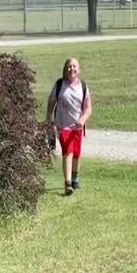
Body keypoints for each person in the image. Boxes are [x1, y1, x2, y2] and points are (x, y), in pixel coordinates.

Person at [45, 58, 92, 195]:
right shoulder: (60, 85)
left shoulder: (83, 86)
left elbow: (88, 108)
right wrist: (49, 119)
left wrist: (82, 120)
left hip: (77, 127)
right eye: (69, 66)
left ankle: (75, 178)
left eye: (74, 66)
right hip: (63, 126)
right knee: (68, 152)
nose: (72, 69)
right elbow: (51, 102)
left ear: (79, 70)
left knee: (76, 154)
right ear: (65, 69)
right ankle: (68, 183)